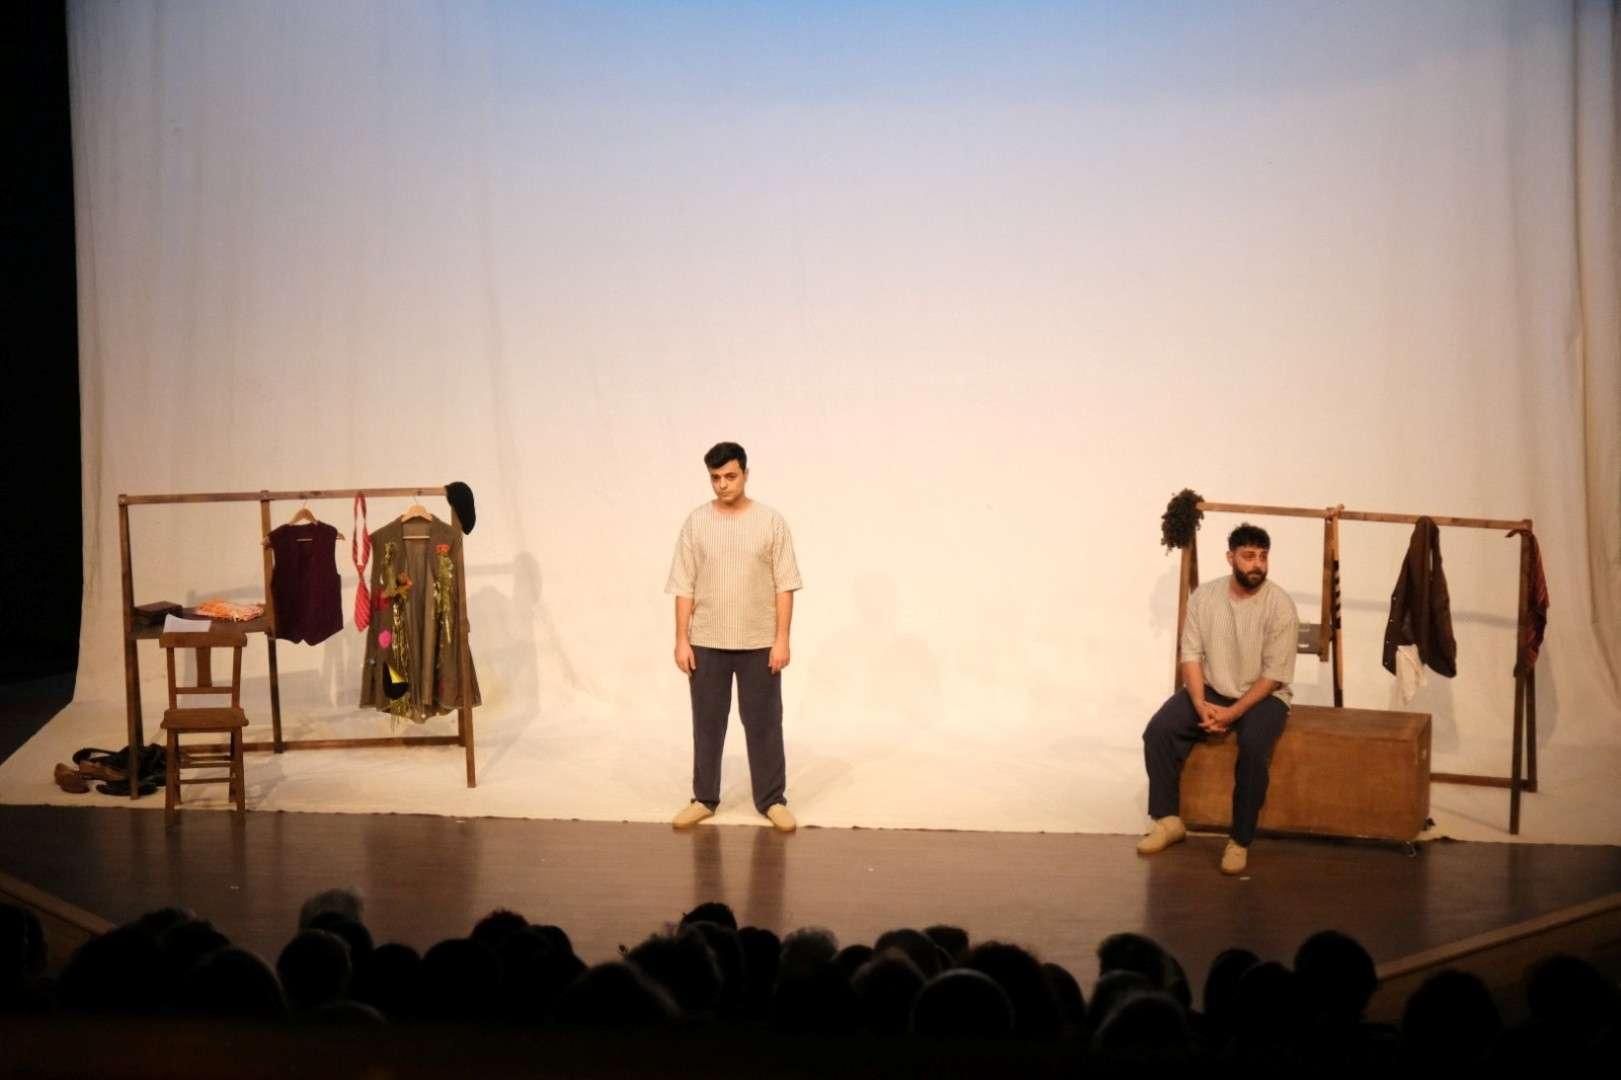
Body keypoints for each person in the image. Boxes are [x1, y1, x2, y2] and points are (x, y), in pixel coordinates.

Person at [1138, 523, 1298, 874]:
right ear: (1230, 557)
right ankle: (1167, 821)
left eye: (1263, 557)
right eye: (1248, 556)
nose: (1257, 564)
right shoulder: (1205, 597)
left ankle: (1239, 840)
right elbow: (1191, 655)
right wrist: (1200, 705)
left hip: (1264, 695)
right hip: (1211, 689)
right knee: (1159, 732)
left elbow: (1273, 675)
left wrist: (1232, 713)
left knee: (1253, 748)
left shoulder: (1280, 605)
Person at [666, 442, 803, 832]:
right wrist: (681, 639)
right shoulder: (697, 523)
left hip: (758, 642)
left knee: (764, 723)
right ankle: (704, 798)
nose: (722, 484)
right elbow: (683, 584)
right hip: (706, 641)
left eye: (730, 476)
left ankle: (772, 800)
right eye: (715, 478)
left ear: (745, 474)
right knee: (707, 723)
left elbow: (784, 585)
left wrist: (782, 640)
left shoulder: (770, 522)